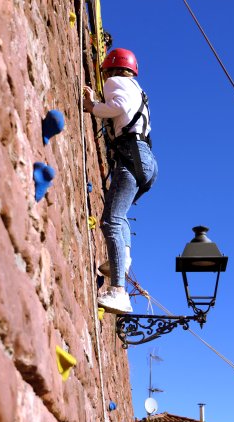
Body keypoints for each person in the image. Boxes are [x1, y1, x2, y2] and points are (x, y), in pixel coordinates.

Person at [83, 48, 158, 314]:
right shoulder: (138, 89)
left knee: (111, 220)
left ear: (109, 68)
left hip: (131, 156)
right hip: (146, 161)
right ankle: (122, 259)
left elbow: (118, 107)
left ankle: (118, 292)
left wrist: (93, 107)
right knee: (121, 215)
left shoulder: (116, 82)